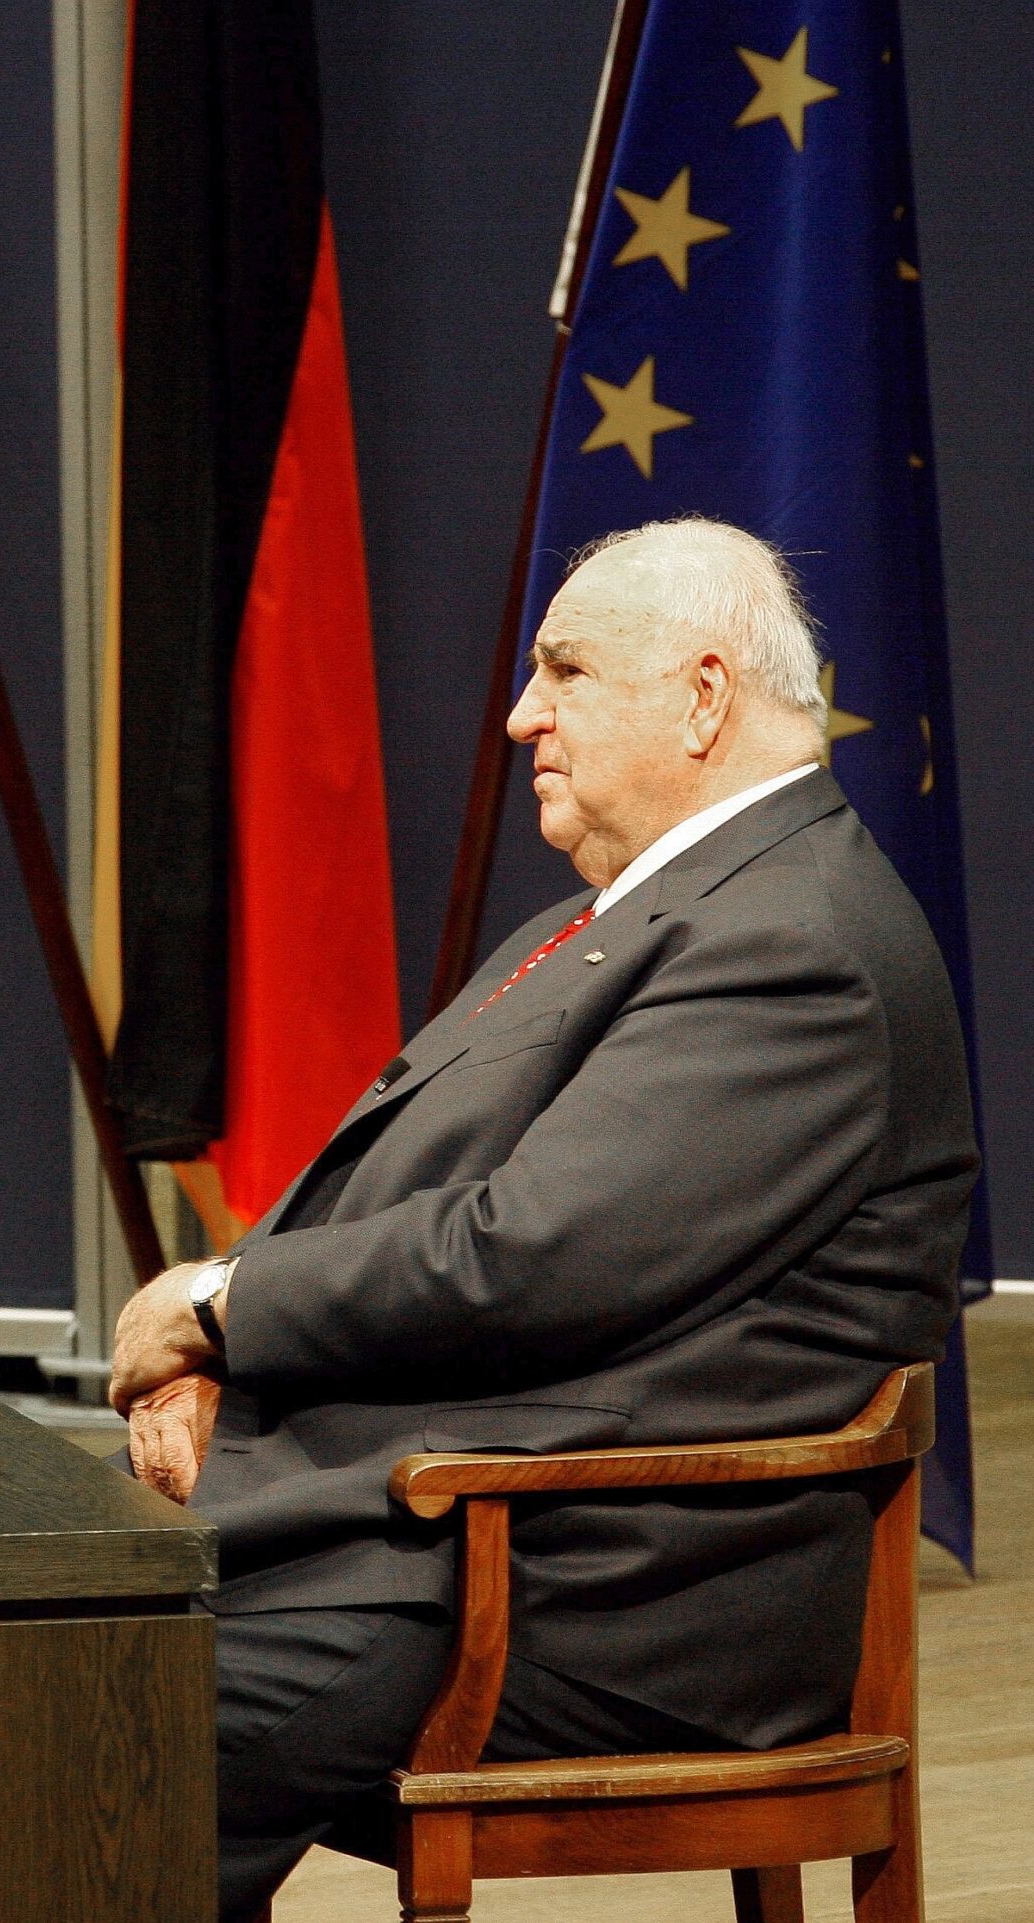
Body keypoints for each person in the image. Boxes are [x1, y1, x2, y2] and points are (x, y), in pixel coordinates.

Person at [108, 517, 978, 1921]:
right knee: (19, 1685)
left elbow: (529, 1257)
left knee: (63, 1749)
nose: (522, 713)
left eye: (565, 669)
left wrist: (219, 1307)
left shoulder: (791, 942)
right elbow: (406, 1200)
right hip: (427, 1530)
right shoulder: (629, 918)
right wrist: (230, 1363)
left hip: (576, 1586)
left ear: (704, 697)